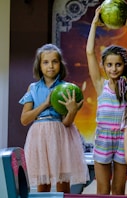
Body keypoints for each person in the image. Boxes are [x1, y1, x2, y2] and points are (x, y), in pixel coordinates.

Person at [19, 43, 89, 193]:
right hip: (39, 137)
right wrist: (45, 104)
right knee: (42, 183)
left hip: (61, 136)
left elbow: (67, 122)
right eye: (45, 62)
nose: (50, 66)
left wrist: (72, 111)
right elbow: (24, 119)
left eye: (54, 61)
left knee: (63, 182)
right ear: (39, 65)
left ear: (60, 64)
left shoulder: (67, 88)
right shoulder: (33, 88)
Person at [86, 5, 127, 195]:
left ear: (124, 66)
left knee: (118, 189)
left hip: (124, 138)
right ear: (104, 66)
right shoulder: (101, 84)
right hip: (103, 137)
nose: (114, 68)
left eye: (118, 64)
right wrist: (94, 23)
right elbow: (90, 53)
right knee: (103, 188)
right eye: (109, 65)